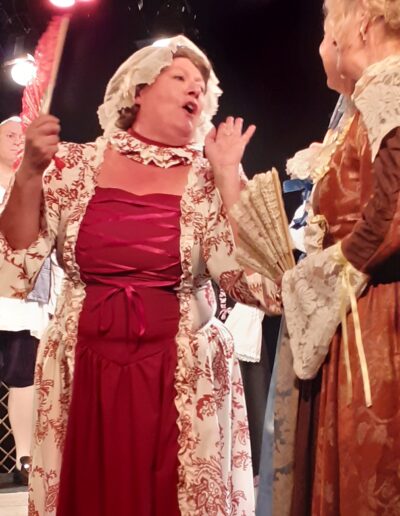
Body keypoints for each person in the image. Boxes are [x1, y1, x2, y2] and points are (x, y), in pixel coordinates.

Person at [0, 36, 279, 515]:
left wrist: (230, 176)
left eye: (202, 84)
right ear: (138, 90)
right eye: (180, 77)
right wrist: (28, 175)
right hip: (85, 374)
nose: (196, 87)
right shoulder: (75, 165)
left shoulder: (209, 176)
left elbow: (259, 285)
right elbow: (16, 264)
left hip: (180, 376)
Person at [251, 1, 400, 513]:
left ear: (361, 22)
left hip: (379, 317)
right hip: (360, 308)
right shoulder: (366, 102)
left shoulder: (388, 86)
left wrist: (318, 279)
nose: (324, 45)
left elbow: (392, 213)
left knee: (374, 470)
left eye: (327, 30)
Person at [0, 117, 57, 486]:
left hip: (24, 302)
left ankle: (24, 457)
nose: (16, 141)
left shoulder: (40, 187)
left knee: (24, 378)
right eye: (9, 136)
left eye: (22, 137)